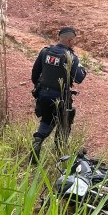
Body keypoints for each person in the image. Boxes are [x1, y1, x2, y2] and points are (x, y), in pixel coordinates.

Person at [30, 26, 86, 162]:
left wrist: (41, 89)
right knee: (63, 125)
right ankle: (60, 157)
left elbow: (34, 74)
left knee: (46, 121)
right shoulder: (71, 57)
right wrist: (82, 69)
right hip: (61, 98)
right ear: (70, 40)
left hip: (43, 95)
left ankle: (38, 140)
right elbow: (79, 78)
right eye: (74, 40)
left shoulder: (45, 52)